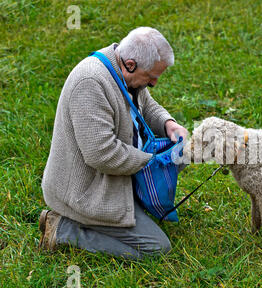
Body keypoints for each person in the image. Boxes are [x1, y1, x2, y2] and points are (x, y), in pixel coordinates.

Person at [39, 27, 188, 260]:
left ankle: (133, 202)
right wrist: (153, 162)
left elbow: (146, 106)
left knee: (180, 157)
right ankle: (63, 227)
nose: (154, 83)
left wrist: (168, 123)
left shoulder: (122, 68)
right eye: (151, 78)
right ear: (130, 64)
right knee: (156, 247)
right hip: (86, 191)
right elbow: (102, 154)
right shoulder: (90, 83)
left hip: (115, 176)